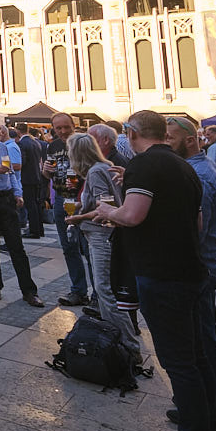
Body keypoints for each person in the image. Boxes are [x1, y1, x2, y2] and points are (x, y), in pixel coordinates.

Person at [78, 110, 216, 431]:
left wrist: (109, 209)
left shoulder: (145, 165)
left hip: (163, 273)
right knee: (196, 358)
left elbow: (134, 215)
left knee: (179, 363)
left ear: (130, 132)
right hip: (188, 269)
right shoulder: (182, 164)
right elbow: (196, 220)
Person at [166, 115, 216, 431]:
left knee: (202, 342)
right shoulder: (195, 168)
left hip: (202, 266)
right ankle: (202, 405)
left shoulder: (199, 173)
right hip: (206, 264)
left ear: (190, 140)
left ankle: (214, 411)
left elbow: (196, 228)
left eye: (169, 138)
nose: (165, 144)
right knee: (199, 338)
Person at [68, 131, 141, 364]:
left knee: (105, 290)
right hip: (106, 234)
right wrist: (81, 203)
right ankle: (118, 338)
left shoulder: (96, 171)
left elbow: (105, 207)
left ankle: (130, 345)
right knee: (105, 289)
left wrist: (78, 218)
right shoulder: (103, 166)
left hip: (102, 234)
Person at [0, 116, 42, 307]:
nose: (0, 132)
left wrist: (18, 193)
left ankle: (29, 290)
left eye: (0, 129)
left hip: (6, 199)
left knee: (17, 246)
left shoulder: (4, 147)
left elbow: (11, 172)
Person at [39, 111, 89, 306]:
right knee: (68, 246)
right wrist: (45, 172)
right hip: (61, 198)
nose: (62, 131)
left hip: (82, 199)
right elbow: (49, 173)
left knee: (87, 247)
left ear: (73, 125)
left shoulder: (83, 142)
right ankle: (78, 291)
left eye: (65, 127)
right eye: (58, 128)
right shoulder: (53, 145)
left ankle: (98, 295)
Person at [17, 126, 46, 238]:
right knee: (36, 204)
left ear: (18, 131)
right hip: (36, 176)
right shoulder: (35, 142)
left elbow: (22, 162)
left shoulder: (23, 143)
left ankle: (34, 230)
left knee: (30, 204)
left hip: (27, 178)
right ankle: (39, 229)